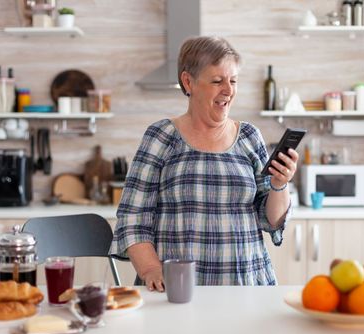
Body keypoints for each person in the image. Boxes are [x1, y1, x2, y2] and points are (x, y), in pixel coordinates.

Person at [111, 36, 299, 291]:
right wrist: (151, 269)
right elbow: (133, 218)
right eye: (217, 81)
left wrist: (280, 184)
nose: (229, 90)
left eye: (233, 81)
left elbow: (272, 220)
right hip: (176, 287)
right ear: (189, 82)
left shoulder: (249, 136)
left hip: (246, 285)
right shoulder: (162, 136)